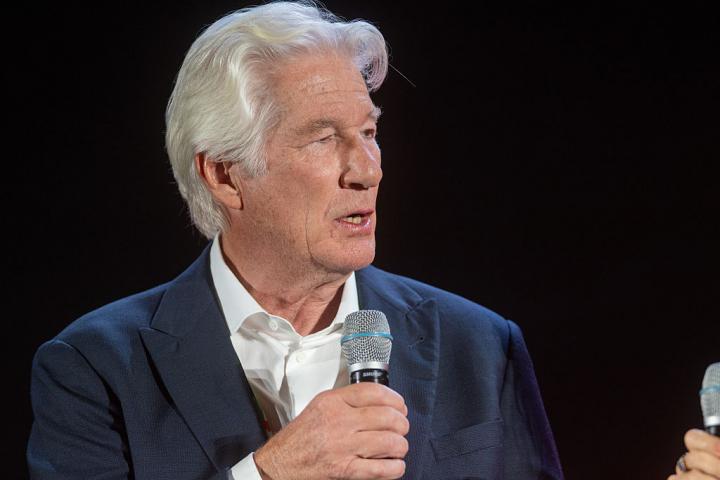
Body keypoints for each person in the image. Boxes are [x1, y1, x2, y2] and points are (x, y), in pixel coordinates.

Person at [27, 2, 563, 478]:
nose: (367, 171)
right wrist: (271, 473)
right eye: (324, 138)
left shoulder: (482, 346)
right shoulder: (95, 369)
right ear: (224, 175)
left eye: (369, 133)